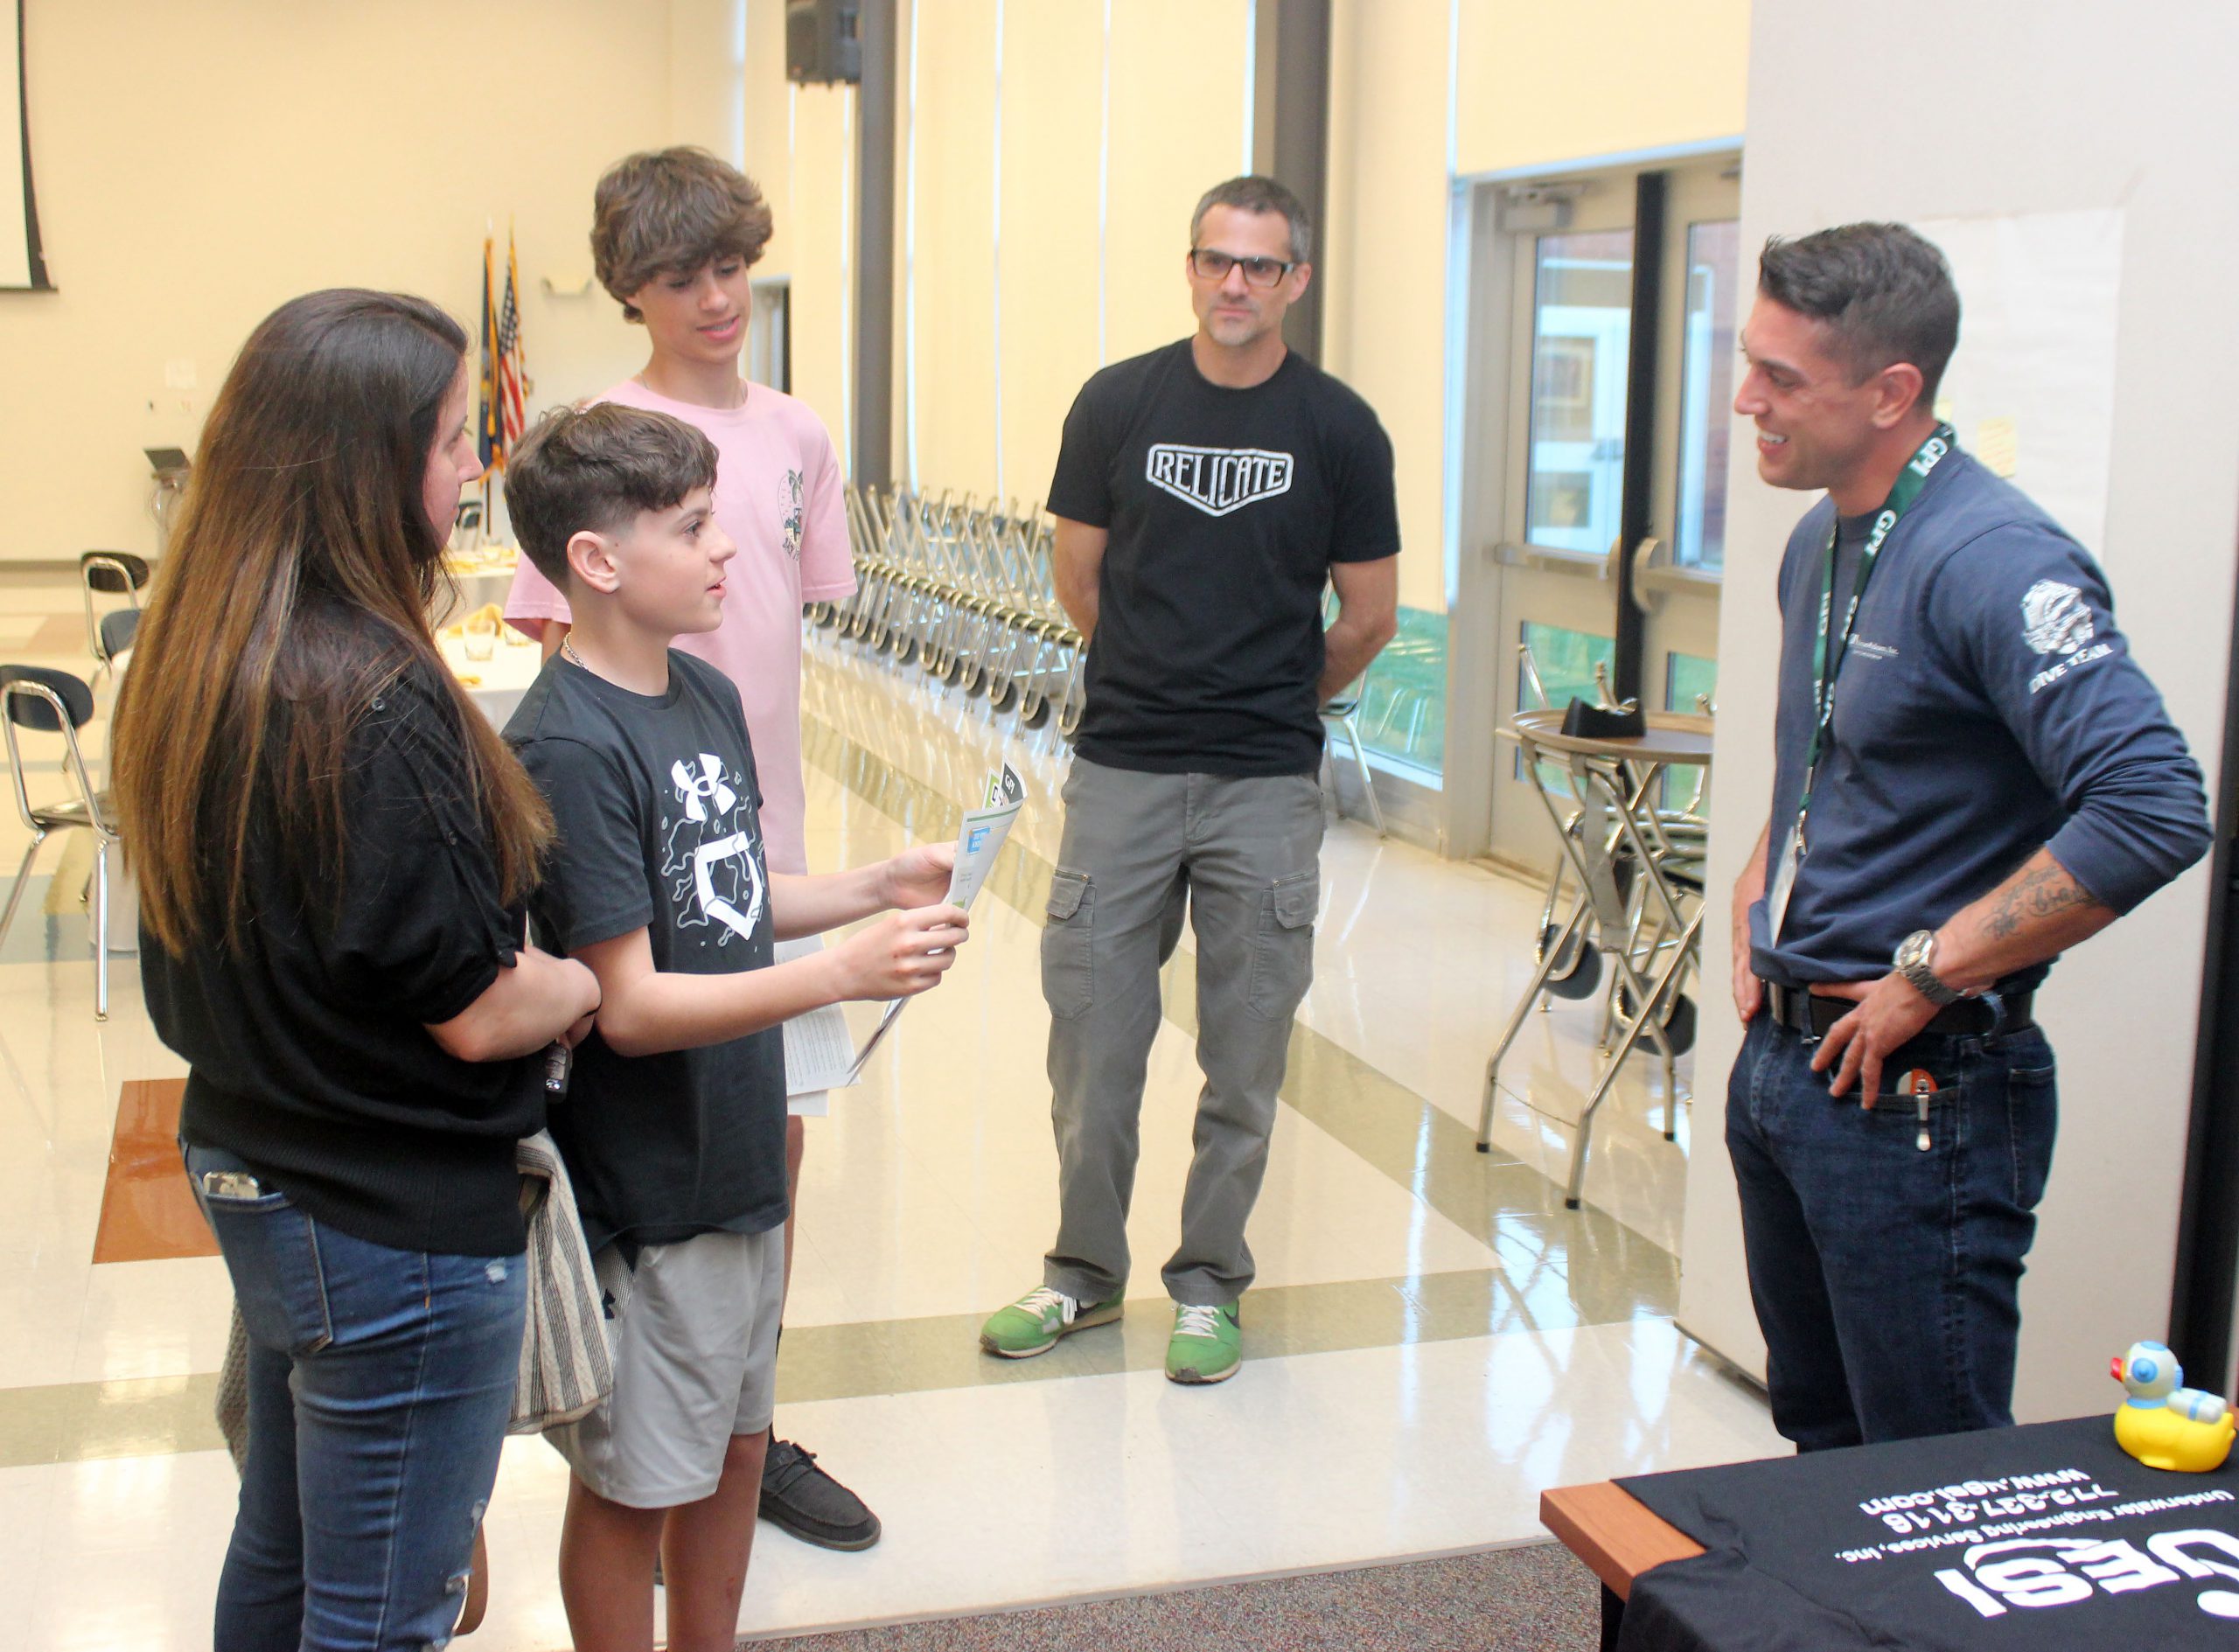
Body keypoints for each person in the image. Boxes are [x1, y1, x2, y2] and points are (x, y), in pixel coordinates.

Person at [115, 289, 603, 1650]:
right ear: (364, 466)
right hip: (393, 1222)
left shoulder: (201, 652)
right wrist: (578, 985)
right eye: (453, 441)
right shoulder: (376, 701)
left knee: (278, 1562)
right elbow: (477, 1008)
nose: (474, 468)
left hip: (258, 1170)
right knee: (382, 1617)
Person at [1725, 222, 2211, 1452]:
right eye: (1752, 363)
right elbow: (1826, 754)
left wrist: (1927, 974)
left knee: (1932, 1478)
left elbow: (2154, 804)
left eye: (1783, 379)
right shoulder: (1818, 535)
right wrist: (1751, 901)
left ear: (1893, 392)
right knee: (1822, 1449)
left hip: (1916, 1087)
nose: (1748, 401)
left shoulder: (1996, 558)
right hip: (1789, 1064)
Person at [499, 402, 968, 1652]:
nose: (729, 550)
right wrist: (841, 975)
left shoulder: (700, 692)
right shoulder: (566, 742)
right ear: (596, 562)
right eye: (695, 527)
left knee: (737, 1444)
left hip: (740, 1148)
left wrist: (871, 889)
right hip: (650, 1181)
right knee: (637, 1479)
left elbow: (734, 899)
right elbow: (636, 1005)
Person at [500, 145, 875, 1548]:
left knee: (768, 1168)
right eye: (681, 276)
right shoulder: (602, 442)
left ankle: (745, 1428)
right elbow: (572, 676)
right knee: (664, 1185)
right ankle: (641, 1433)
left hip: (757, 847)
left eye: (731, 266)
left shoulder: (796, 431)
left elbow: (785, 639)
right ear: (632, 291)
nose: (717, 295)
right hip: (640, 865)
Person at [979, 175, 1400, 1386]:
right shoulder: (1118, 405)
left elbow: (1367, 618)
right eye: (1217, 259)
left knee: (1245, 1052)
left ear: (1295, 282)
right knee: (1093, 1045)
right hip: (1120, 768)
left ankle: (1209, 1281)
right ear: (1191, 267)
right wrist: (1160, 683)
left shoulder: (1339, 429)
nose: (1235, 284)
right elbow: (1080, 580)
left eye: (1261, 266)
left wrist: (1267, 698)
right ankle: (1081, 1274)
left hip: (1263, 783)